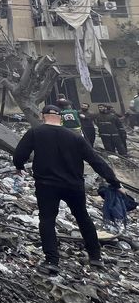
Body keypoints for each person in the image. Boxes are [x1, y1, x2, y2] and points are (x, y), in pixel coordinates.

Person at [14, 104, 121, 274]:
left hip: (46, 186)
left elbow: (19, 154)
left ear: (43, 116)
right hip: (73, 186)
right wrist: (113, 181)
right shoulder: (75, 137)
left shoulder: (35, 133)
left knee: (47, 220)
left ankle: (52, 261)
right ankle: (95, 257)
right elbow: (95, 160)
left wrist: (19, 166)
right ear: (61, 118)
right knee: (83, 218)